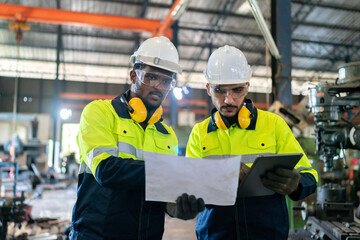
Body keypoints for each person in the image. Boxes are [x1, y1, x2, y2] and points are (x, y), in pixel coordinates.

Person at [70, 36, 204, 240]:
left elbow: (165, 196)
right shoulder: (100, 113)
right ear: (133, 76)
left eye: (167, 80)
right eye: (151, 77)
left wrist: (179, 209)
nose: (159, 86)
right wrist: (169, 170)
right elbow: (105, 170)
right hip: (97, 235)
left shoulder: (167, 135)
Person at [186, 45, 318, 240]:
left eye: (237, 90)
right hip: (215, 234)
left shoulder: (274, 125)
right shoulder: (199, 133)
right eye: (220, 90)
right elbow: (190, 185)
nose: (228, 99)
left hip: (266, 233)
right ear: (208, 89)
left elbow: (310, 175)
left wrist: (296, 184)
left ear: (247, 86)